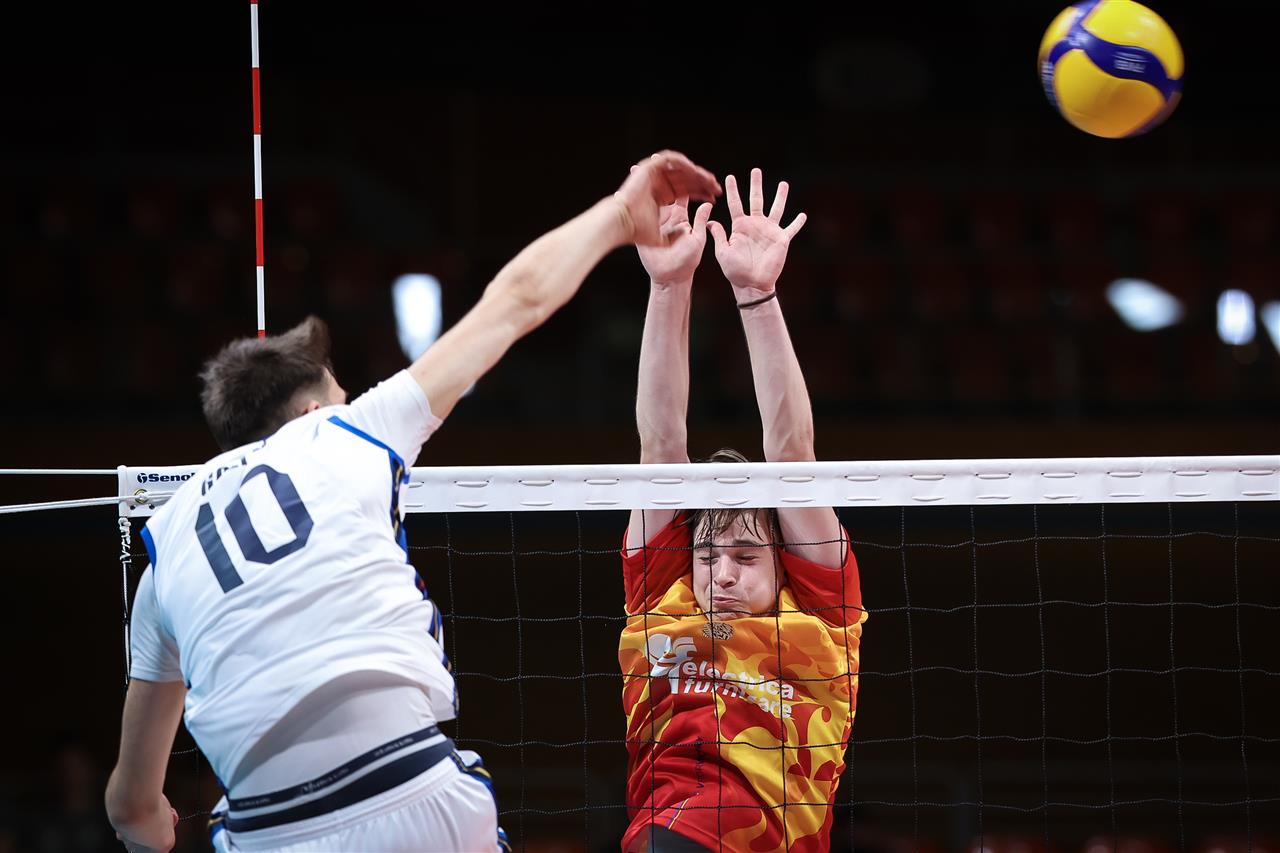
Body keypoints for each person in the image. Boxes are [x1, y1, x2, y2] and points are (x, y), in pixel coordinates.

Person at [104, 150, 721, 853]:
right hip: (415, 794)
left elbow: (130, 803)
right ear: (310, 413)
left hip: (270, 831)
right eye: (340, 393)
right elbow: (517, 299)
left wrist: (151, 829)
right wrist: (618, 214)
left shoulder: (163, 563)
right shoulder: (348, 434)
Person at [619, 168, 866, 852]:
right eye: (707, 554)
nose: (721, 573)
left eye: (745, 556)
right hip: (671, 834)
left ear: (784, 562)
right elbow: (660, 444)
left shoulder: (822, 617)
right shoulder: (661, 600)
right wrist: (669, 284)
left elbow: (792, 450)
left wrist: (757, 296)